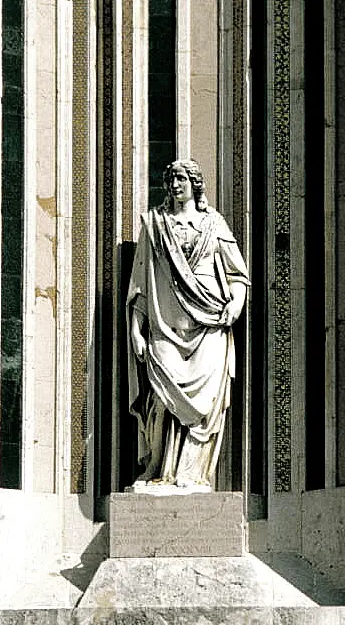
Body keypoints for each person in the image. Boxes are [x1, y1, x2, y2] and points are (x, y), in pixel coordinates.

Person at [126, 159, 250, 492]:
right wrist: (137, 331)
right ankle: (159, 470)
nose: (175, 184)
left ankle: (192, 474)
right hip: (164, 328)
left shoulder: (214, 224)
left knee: (206, 405)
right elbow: (140, 285)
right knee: (163, 399)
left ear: (195, 183)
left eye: (181, 178)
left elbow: (237, 274)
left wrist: (235, 303)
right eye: (170, 179)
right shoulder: (155, 225)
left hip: (209, 324)